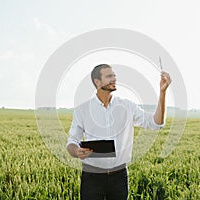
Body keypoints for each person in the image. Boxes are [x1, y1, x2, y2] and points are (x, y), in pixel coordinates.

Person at [66, 64, 171, 200]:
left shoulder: (127, 106)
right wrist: (76, 151)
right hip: (92, 177)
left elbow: (156, 123)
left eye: (114, 75)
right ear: (97, 82)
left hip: (119, 177)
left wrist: (162, 92)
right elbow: (72, 142)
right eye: (109, 76)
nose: (114, 78)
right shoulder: (82, 110)